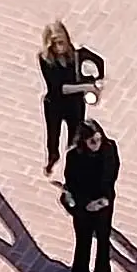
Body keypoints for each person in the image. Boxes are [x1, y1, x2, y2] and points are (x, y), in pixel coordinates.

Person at [62, 119, 119, 272]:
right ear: (84, 141)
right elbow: (71, 182)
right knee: (83, 240)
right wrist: (86, 203)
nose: (97, 144)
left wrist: (103, 200)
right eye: (92, 141)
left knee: (103, 244)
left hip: (103, 205)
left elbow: (111, 175)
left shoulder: (109, 149)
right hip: (83, 206)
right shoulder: (74, 156)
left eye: (99, 139)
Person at [38, 22, 102, 175]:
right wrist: (87, 87)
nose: (59, 47)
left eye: (61, 42)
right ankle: (52, 158)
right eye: (55, 44)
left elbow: (98, 61)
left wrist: (97, 79)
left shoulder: (76, 54)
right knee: (53, 136)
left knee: (75, 138)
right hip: (55, 104)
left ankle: (71, 168)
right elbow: (60, 88)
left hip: (75, 105)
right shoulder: (45, 60)